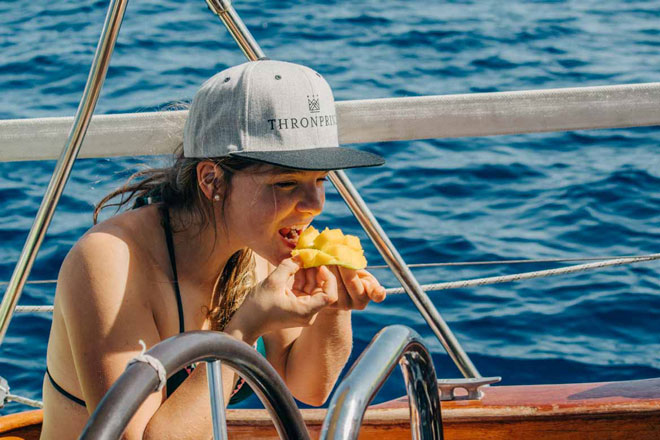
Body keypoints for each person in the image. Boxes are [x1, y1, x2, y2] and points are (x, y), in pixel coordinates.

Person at [40, 60, 387, 439]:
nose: (314, 204)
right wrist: (244, 329)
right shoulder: (110, 261)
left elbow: (308, 387)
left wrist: (332, 304)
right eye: (286, 183)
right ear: (211, 179)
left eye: (320, 180)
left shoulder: (259, 243)